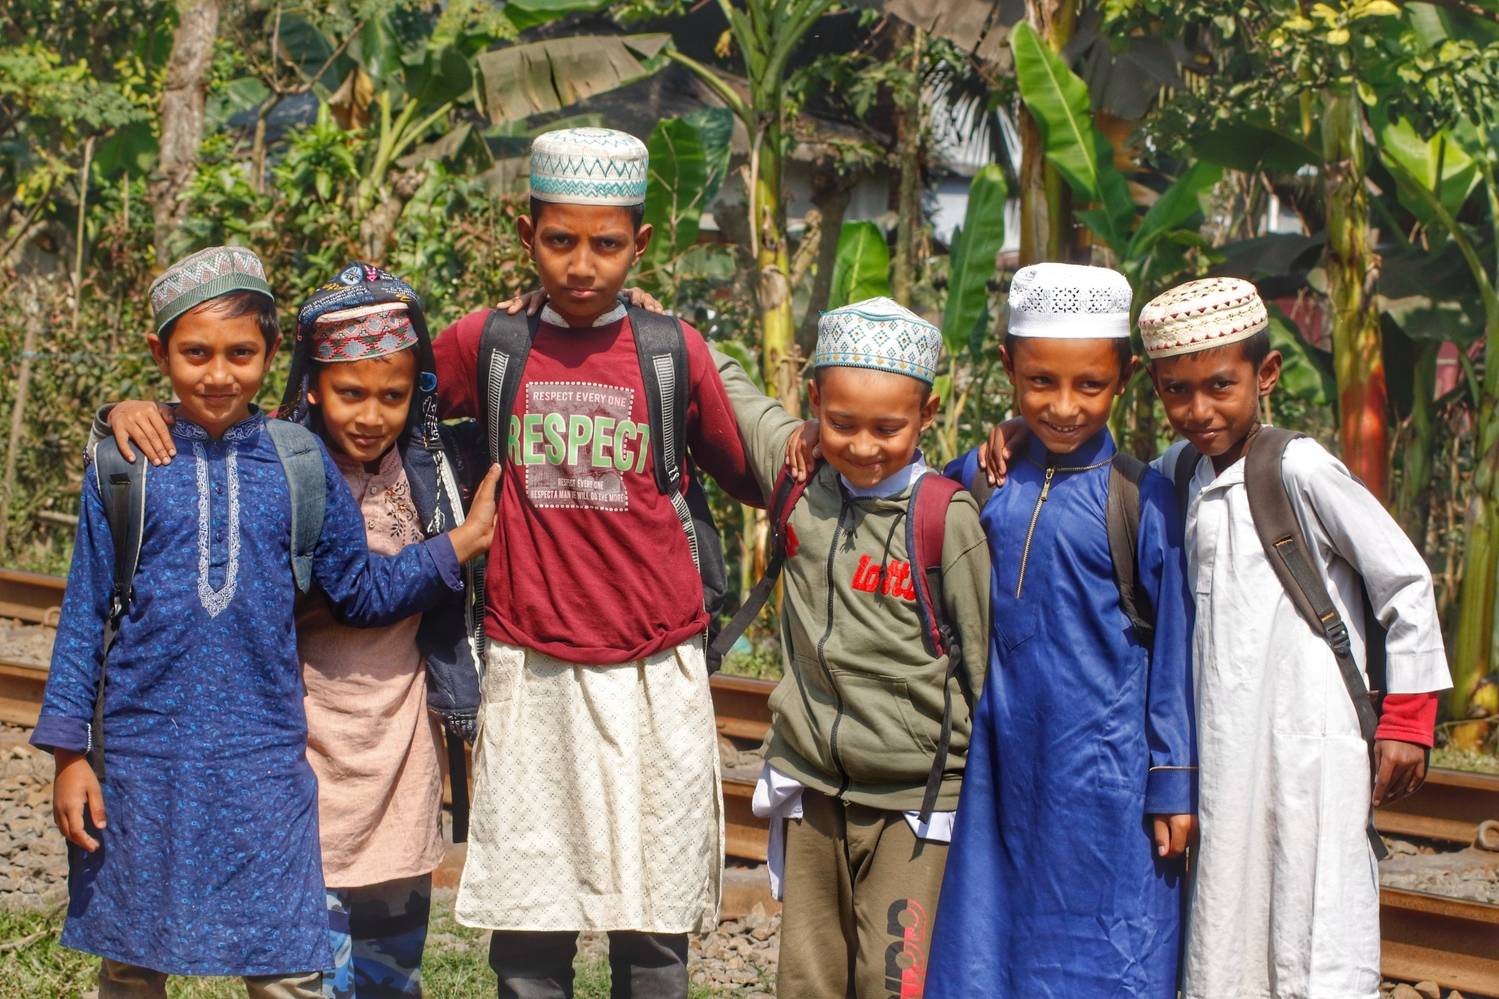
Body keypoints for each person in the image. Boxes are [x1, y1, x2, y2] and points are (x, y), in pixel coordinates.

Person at [32, 246, 497, 998]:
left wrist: (455, 547)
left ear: (272, 354)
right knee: (130, 957)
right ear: (159, 353)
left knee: (286, 964)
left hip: (266, 760)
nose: (219, 374)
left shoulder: (298, 461)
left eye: (241, 353)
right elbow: (84, 616)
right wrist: (69, 756)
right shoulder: (123, 464)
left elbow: (358, 589)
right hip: (141, 754)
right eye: (196, 353)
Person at [428, 126, 762, 999]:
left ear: (639, 244)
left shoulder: (670, 351)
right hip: (529, 665)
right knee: (528, 929)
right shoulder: (489, 343)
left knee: (652, 929)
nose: (582, 266)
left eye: (606, 245)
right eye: (559, 241)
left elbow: (753, 467)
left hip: (655, 672)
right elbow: (377, 396)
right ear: (526, 234)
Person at [1135, 276, 1450, 999]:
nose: (1199, 409)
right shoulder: (1174, 474)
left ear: (1265, 373)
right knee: (1227, 921)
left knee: (1316, 912)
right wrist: (1017, 438)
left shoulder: (1297, 468)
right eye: (1177, 391)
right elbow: (1102, 487)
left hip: (1311, 741)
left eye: (1220, 385)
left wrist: (1407, 720)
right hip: (1222, 748)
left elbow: (1403, 581)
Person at [924, 262, 1196, 999]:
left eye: (1090, 385)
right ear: (1008, 368)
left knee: (1107, 951)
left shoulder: (1142, 499)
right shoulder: (983, 478)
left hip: (1107, 776)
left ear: (1125, 378)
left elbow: (1174, 651)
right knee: (990, 946)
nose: (1065, 406)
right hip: (1001, 767)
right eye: (1040, 382)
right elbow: (904, 494)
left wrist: (1172, 781)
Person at [709, 297, 990, 998]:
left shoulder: (944, 518)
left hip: (914, 801)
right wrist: (640, 311)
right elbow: (727, 388)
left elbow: (985, 668)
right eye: (841, 423)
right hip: (812, 784)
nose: (863, 446)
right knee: (807, 977)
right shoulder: (799, 478)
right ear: (814, 404)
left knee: (894, 980)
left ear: (927, 416)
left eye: (887, 428)